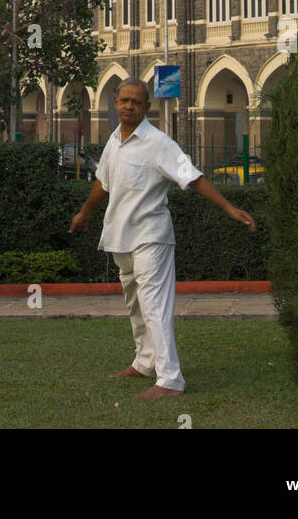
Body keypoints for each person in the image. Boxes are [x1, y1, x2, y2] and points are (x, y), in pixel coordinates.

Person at [70, 78, 256, 399]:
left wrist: (229, 207)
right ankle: (145, 361)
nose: (129, 106)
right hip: (121, 235)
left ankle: (170, 379)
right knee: (135, 303)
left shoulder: (159, 143)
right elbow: (103, 181)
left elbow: (193, 177)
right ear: (114, 103)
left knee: (154, 304)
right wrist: (85, 212)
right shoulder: (114, 139)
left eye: (137, 102)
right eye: (124, 100)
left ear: (147, 108)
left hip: (151, 237)